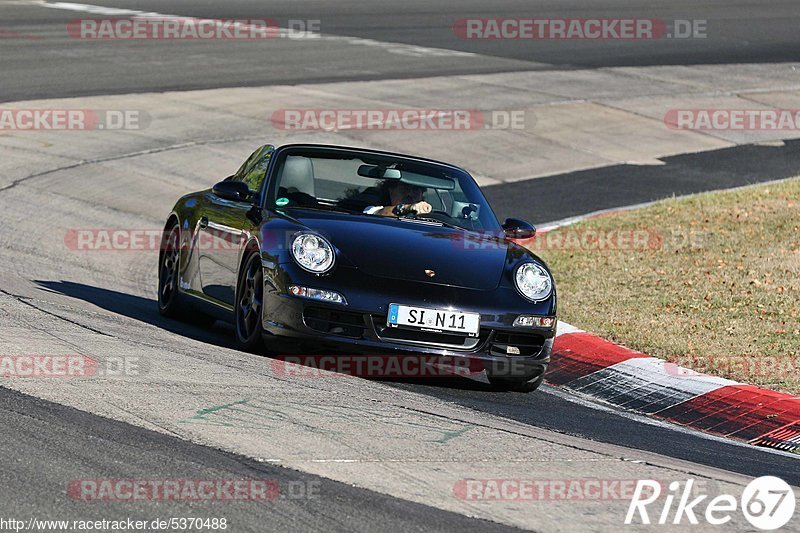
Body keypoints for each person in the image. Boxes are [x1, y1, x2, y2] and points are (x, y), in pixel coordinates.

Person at [363, 180, 432, 216]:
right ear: (391, 190)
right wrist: (408, 209)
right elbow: (377, 213)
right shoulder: (373, 210)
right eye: (405, 188)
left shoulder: (430, 221)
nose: (410, 194)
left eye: (415, 190)